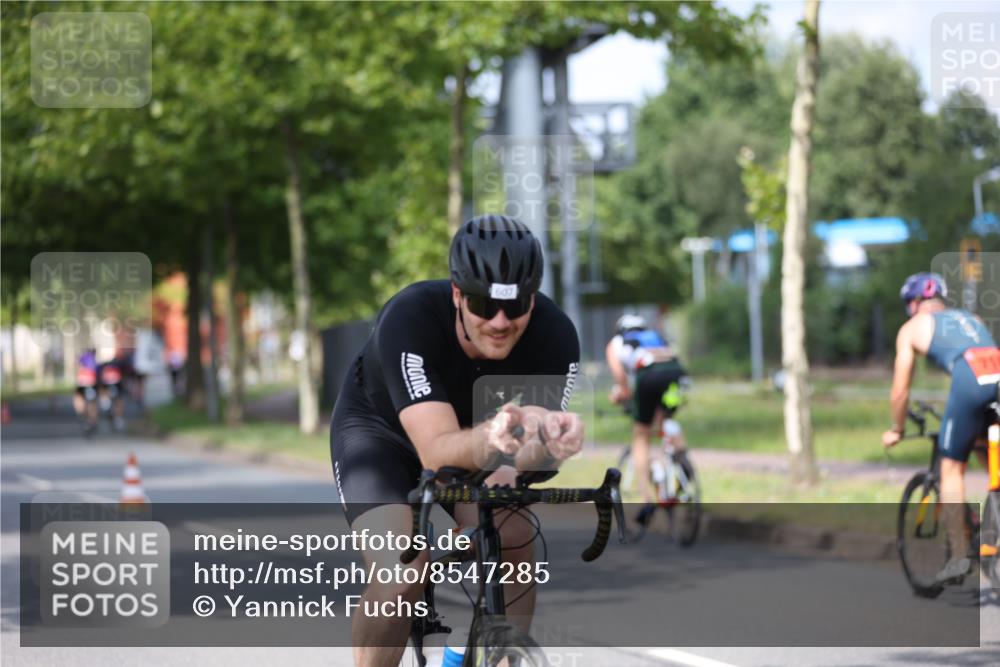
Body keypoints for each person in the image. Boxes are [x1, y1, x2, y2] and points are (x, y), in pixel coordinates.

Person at [330, 214, 584, 667]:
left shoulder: (554, 334)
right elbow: (437, 452)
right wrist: (497, 441)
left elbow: (524, 453)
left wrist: (546, 444)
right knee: (398, 575)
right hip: (380, 434)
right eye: (485, 307)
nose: (501, 322)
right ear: (457, 295)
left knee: (514, 532)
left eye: (517, 306)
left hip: (479, 436)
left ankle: (499, 657)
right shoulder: (410, 318)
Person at [881, 272, 1000, 582]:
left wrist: (897, 427)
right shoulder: (970, 317)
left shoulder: (911, 328)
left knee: (951, 469)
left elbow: (900, 390)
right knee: (990, 455)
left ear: (914, 303)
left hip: (971, 382)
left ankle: (959, 555)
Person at [605, 313, 688, 524]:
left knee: (641, 435)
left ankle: (647, 499)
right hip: (675, 372)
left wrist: (619, 396)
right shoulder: (655, 336)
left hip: (649, 375)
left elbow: (623, 386)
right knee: (664, 420)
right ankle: (681, 462)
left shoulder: (616, 343)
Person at [73, 348, 99, 434]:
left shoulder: (83, 357)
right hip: (91, 382)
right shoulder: (94, 360)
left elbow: (77, 365)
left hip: (84, 382)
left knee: (79, 398)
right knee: (92, 403)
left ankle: (81, 414)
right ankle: (92, 420)